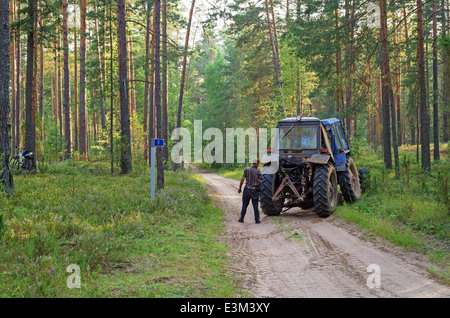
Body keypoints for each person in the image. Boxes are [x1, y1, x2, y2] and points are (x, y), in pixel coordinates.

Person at [238, 159, 263, 224]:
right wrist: (259, 187)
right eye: (258, 163)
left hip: (247, 190)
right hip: (254, 190)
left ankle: (241, 218)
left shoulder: (247, 170)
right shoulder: (258, 171)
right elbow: (261, 181)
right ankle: (257, 220)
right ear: (256, 163)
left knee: (244, 205)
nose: (258, 164)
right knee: (255, 205)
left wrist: (240, 188)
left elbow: (242, 179)